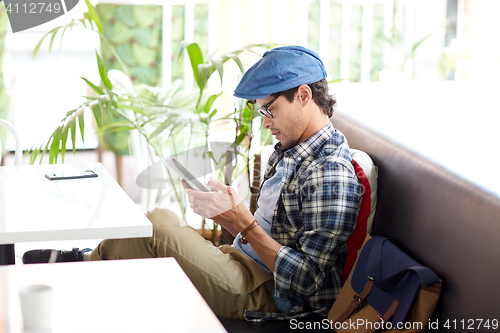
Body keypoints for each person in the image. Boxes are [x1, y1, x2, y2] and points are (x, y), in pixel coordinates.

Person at [23, 46, 362, 321]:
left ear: (304, 95)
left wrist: (241, 223)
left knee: (157, 227)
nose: (265, 123)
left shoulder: (328, 172)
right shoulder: (291, 150)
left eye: (269, 110)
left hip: (275, 297)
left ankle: (76, 268)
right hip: (243, 262)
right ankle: (81, 264)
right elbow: (269, 226)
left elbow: (306, 281)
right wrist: (230, 210)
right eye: (262, 113)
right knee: (157, 221)